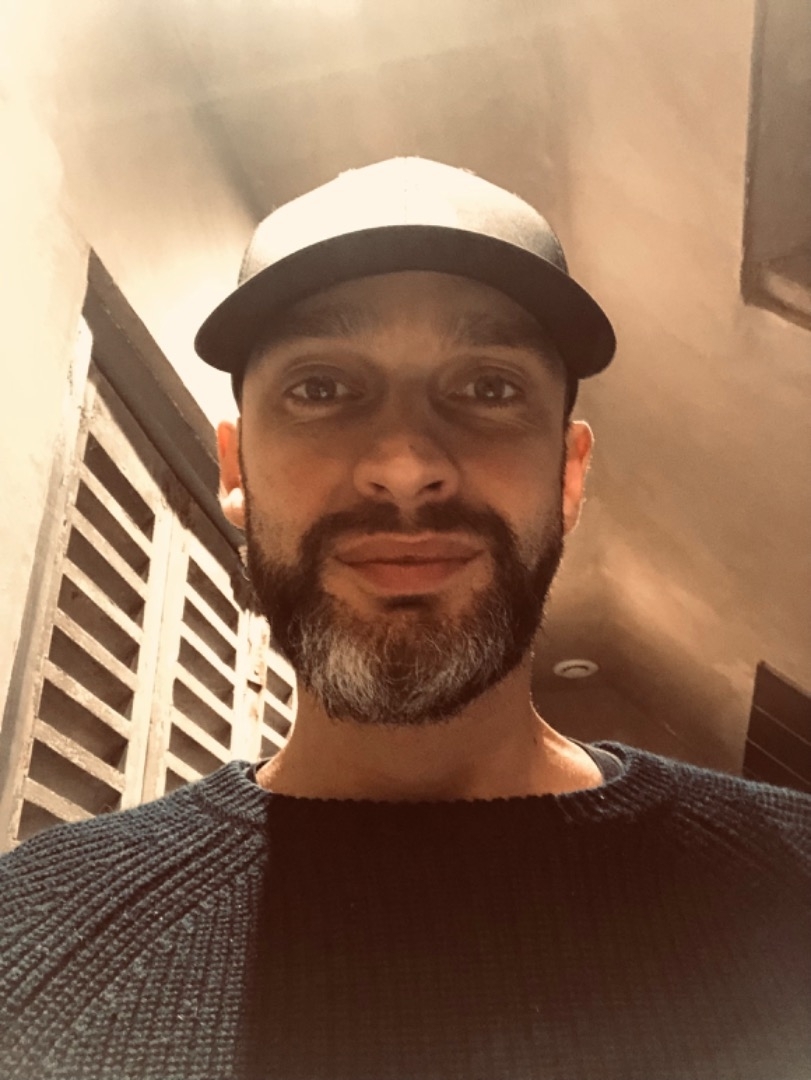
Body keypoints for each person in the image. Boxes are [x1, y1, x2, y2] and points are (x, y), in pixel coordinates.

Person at [1, 157, 809, 1080]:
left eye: (489, 388)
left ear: (567, 474)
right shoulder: (33, 943)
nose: (404, 466)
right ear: (235, 469)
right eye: (320, 388)